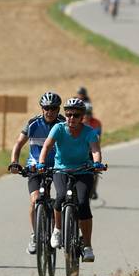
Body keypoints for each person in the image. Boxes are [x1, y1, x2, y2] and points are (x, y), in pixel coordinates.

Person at [38, 97, 103, 263]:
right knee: (59, 197)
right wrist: (41, 163)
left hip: (83, 170)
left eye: (75, 115)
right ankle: (58, 230)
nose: (71, 118)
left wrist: (97, 163)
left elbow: (95, 149)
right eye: (68, 114)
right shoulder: (59, 128)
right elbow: (47, 146)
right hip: (61, 169)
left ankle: (87, 246)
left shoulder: (89, 132)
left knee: (82, 203)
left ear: (82, 117)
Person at [8, 92, 64, 254]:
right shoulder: (33, 123)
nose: (50, 111)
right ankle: (34, 235)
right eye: (46, 108)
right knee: (34, 200)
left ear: (58, 109)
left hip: (58, 166)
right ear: (42, 108)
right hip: (35, 166)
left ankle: (56, 227)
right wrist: (14, 162)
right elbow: (19, 143)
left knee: (60, 197)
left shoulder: (62, 123)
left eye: (53, 108)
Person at [83, 103, 102, 200]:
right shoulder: (78, 121)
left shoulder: (96, 123)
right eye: (85, 113)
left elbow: (98, 138)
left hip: (91, 150)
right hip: (80, 151)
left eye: (89, 113)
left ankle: (93, 189)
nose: (87, 115)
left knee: (95, 171)